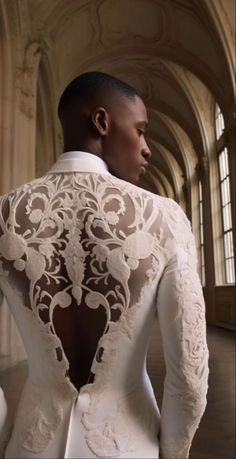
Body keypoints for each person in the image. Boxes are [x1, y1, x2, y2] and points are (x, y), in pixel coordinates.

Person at [0, 71, 209, 458]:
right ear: (102, 122)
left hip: (31, 444)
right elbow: (190, 376)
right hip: (128, 446)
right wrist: (173, 451)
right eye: (141, 129)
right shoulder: (162, 217)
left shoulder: (6, 214)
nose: (146, 147)